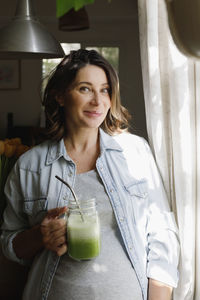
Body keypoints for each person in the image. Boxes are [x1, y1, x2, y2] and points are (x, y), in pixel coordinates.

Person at [1, 49, 179, 300]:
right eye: (85, 89)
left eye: (104, 89)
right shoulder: (31, 165)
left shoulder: (135, 153)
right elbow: (10, 243)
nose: (98, 101)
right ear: (60, 96)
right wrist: (40, 236)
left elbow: (161, 234)